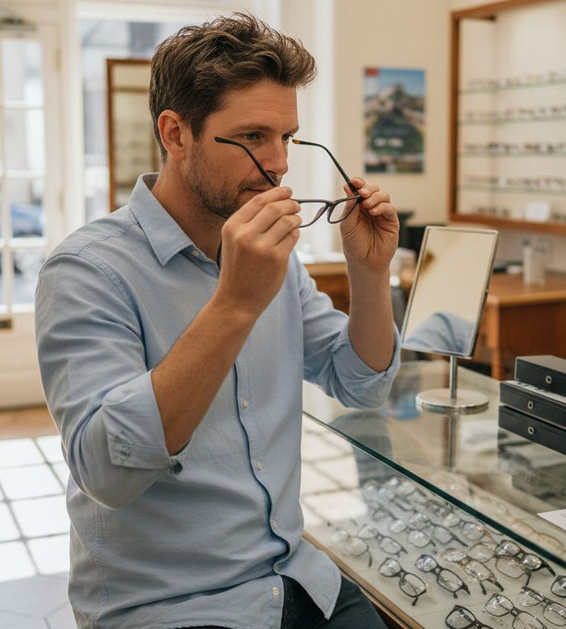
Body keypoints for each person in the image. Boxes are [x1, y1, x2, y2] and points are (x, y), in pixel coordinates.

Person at [35, 13, 400, 629]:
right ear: (176, 133)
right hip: (168, 606)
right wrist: (233, 304)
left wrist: (369, 274)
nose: (280, 164)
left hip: (294, 576)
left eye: (288, 137)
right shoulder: (86, 271)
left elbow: (362, 385)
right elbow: (106, 470)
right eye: (253, 136)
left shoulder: (274, 259)